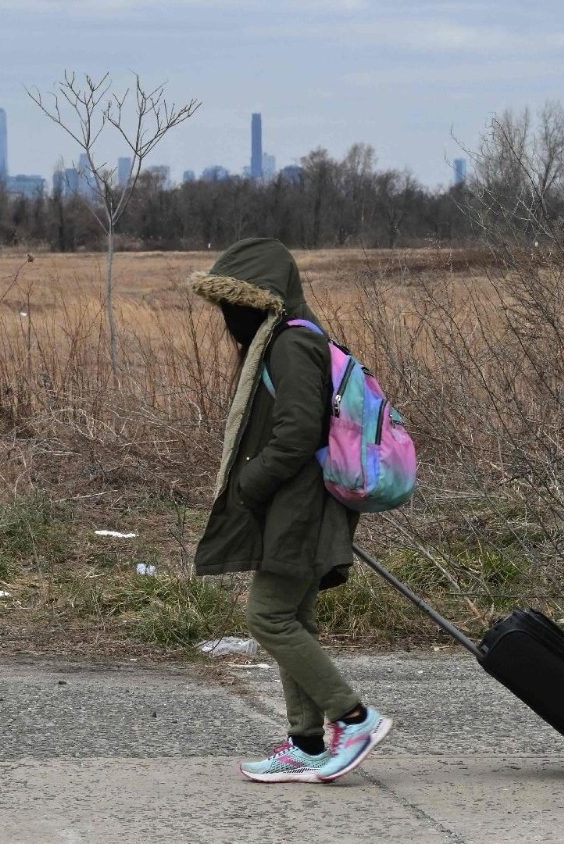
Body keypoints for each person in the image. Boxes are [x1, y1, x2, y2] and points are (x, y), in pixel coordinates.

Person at [189, 237, 391, 784]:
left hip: (300, 509)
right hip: (297, 505)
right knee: (294, 619)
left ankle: (354, 718)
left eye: (234, 304)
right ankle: (305, 743)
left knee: (267, 616)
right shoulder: (287, 340)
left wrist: (249, 485)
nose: (228, 317)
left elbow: (298, 432)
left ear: (260, 302)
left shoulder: (290, 345)